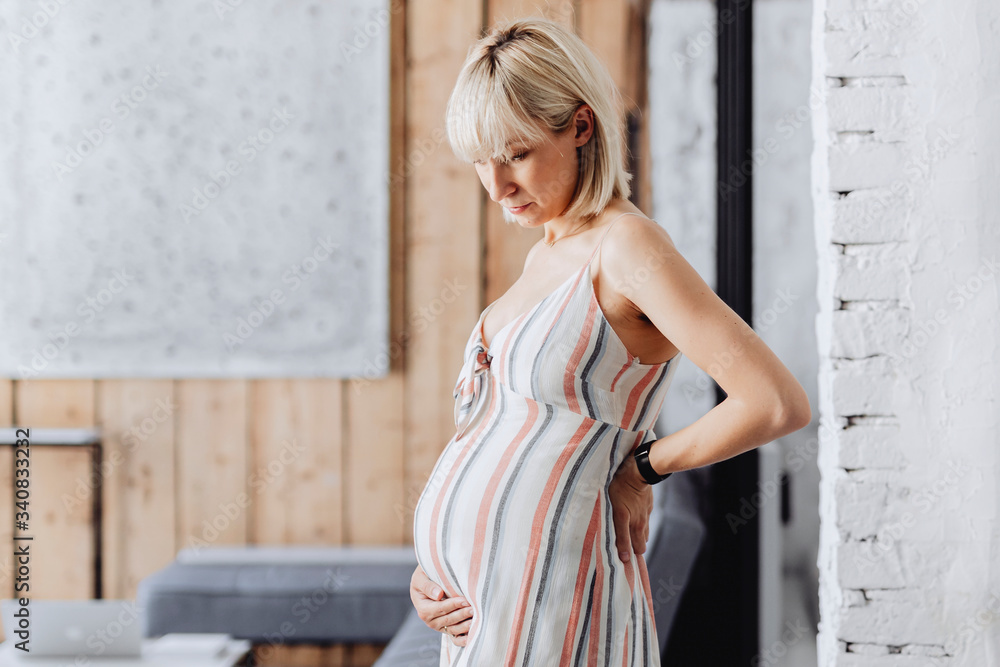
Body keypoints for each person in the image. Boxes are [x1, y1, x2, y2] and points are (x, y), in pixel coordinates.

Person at [409, 17, 811, 666]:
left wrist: (644, 467)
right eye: (481, 160)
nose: (497, 186)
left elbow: (774, 401)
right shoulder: (545, 253)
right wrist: (433, 569)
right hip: (481, 606)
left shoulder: (626, 246)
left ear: (581, 126)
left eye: (515, 153)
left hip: (554, 592)